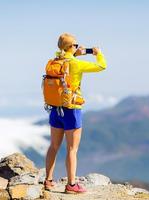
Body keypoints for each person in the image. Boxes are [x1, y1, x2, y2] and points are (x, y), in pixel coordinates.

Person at [44, 33, 107, 194]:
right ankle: (72, 185)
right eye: (76, 45)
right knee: (72, 149)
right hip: (71, 110)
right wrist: (98, 53)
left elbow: (66, 57)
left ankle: (48, 181)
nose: (78, 47)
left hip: (55, 109)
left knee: (54, 146)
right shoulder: (76, 63)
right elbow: (102, 66)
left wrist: (73, 53)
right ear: (71, 47)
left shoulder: (55, 61)